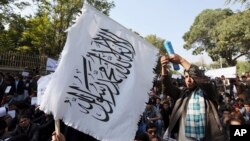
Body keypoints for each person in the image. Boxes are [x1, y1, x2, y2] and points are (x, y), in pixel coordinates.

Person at [161, 54, 224, 141]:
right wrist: (164, 68)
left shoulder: (208, 92)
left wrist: (181, 60)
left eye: (191, 77)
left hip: (207, 137)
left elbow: (201, 78)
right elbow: (167, 87)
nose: (189, 80)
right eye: (186, 77)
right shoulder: (183, 94)